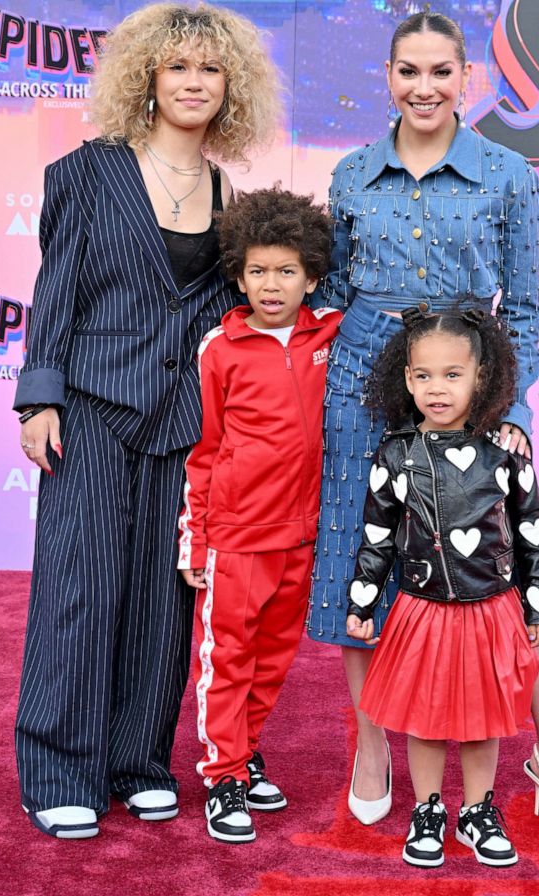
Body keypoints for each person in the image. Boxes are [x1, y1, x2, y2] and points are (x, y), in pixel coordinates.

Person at [307, 10, 539, 839]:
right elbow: (329, 290)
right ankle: (370, 747)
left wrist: (508, 412)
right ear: (387, 76)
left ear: (465, 79)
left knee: (507, 575)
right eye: (407, 71)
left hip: (471, 386)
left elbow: (519, 305)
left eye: (440, 72)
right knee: (357, 561)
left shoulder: (507, 173)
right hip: (361, 382)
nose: (423, 87)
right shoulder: (348, 174)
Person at [14, 1, 280, 839]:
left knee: (163, 599)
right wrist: (40, 393)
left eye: (209, 68)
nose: (193, 81)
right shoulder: (88, 172)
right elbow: (56, 289)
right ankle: (60, 768)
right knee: (79, 589)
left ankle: (137, 762)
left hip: (182, 420)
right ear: (148, 79)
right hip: (90, 405)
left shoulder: (229, 192)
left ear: (228, 85)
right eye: (178, 67)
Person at [347, 307, 539, 868]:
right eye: (423, 376)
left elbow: (532, 537)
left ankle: (479, 809)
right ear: (406, 378)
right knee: (426, 716)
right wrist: (362, 600)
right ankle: (429, 809)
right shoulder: (394, 456)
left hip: (491, 610)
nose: (436, 388)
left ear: (481, 378)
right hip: (423, 611)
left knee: (483, 718)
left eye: (452, 374)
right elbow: (377, 537)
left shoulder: (507, 458)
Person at [177, 186, 342, 844]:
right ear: (237, 273)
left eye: (285, 271)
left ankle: (244, 755)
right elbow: (203, 450)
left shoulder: (330, 333)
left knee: (273, 660)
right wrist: (196, 544)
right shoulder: (219, 348)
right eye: (256, 271)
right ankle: (222, 776)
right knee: (228, 660)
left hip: (302, 537)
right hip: (236, 539)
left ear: (311, 276)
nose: (269, 285)